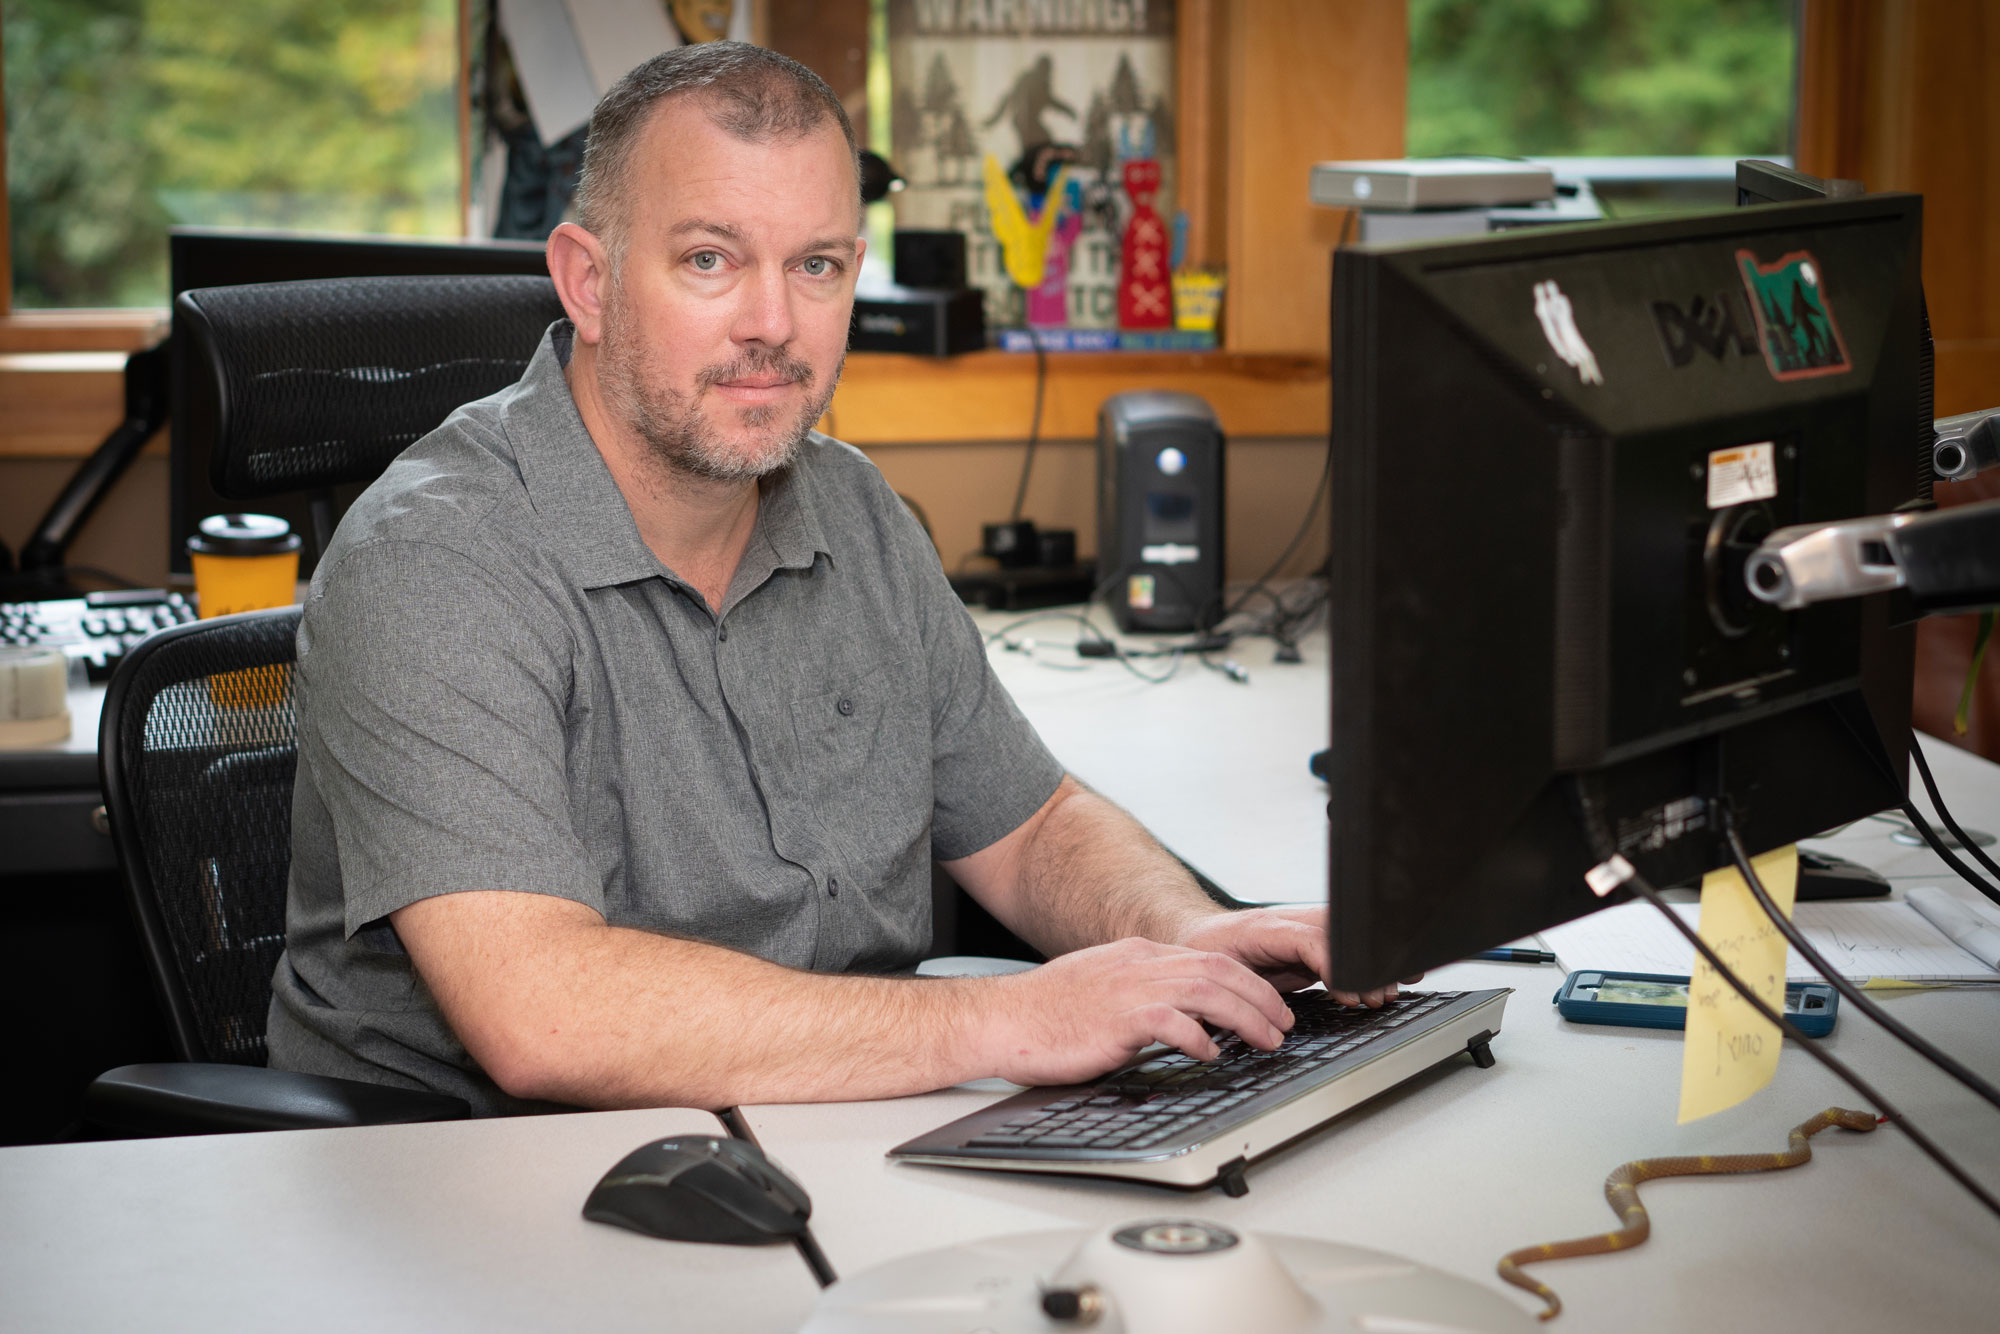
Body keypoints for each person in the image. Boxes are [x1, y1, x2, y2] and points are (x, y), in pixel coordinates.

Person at [266, 42, 1397, 1118]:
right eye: (708, 259)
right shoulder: (434, 562)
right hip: (482, 1181)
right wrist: (1004, 1017)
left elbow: (1030, 822)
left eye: (814, 266)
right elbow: (545, 1015)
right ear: (589, 282)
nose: (772, 324)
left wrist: (1177, 930)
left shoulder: (850, 509)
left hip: (819, 1129)